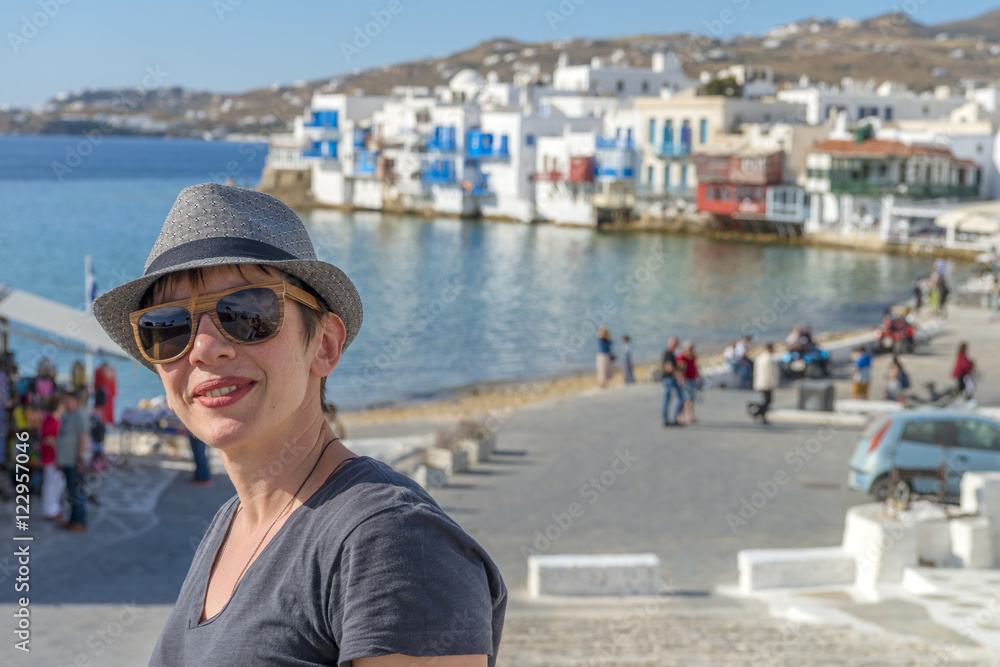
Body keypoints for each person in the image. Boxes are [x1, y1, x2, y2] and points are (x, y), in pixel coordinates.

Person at [92, 183, 505, 666]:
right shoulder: (232, 523)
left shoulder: (391, 541)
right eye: (168, 328)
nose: (204, 348)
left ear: (325, 344)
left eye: (245, 313)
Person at [54, 387, 88, 532]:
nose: (66, 403)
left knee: (76, 492)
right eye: (64, 401)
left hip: (74, 461)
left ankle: (79, 521)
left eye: (68, 401)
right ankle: (73, 519)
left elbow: (83, 437)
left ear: (76, 401)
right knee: (70, 492)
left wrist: (80, 458)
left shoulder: (79, 415)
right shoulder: (67, 415)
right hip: (66, 461)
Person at [40, 394, 66, 521]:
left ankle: (54, 507)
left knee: (58, 482)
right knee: (52, 483)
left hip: (55, 456)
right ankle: (50, 509)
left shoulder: (54, 419)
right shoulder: (51, 421)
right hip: (52, 456)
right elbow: (49, 439)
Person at [753, 343, 779, 424]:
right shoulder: (769, 359)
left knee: (766, 401)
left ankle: (762, 416)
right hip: (766, 384)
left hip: (760, 382)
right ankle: (756, 412)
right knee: (767, 401)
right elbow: (770, 373)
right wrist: (772, 384)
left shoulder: (760, 358)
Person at [661, 336, 684, 426]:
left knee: (667, 399)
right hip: (670, 379)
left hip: (668, 379)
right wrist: (678, 374)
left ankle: (667, 420)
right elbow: (668, 368)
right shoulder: (669, 353)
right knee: (680, 397)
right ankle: (674, 419)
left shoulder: (669, 353)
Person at [676, 341, 699, 425]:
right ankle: (684, 415)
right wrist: (681, 378)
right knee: (686, 399)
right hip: (686, 380)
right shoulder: (682, 356)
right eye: (690, 347)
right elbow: (680, 369)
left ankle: (691, 415)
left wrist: (698, 375)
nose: (691, 349)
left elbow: (695, 366)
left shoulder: (693, 356)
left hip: (693, 379)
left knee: (692, 399)